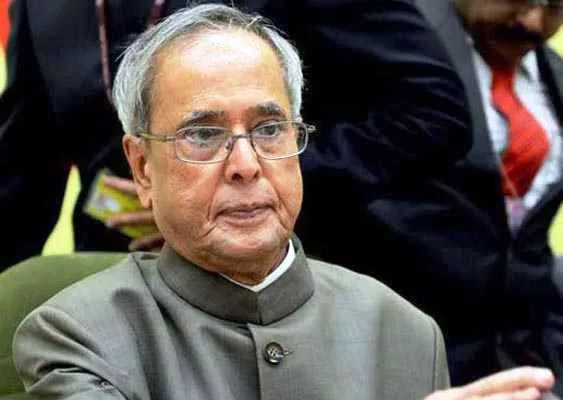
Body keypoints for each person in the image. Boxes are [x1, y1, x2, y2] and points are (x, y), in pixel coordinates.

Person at [11, 6, 559, 399]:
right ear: (141, 167)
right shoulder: (73, 335)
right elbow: (21, 164)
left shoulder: (405, 333)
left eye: (270, 129)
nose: (245, 163)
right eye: (203, 135)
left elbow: (428, 107)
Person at [0, 0, 469, 271]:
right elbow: (22, 166)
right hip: (120, 290)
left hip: (300, 281)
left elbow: (431, 110)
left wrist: (243, 185)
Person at [410, 0, 563, 391]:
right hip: (419, 357)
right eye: (523, 0)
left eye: (555, 7)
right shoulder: (399, 43)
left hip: (524, 359)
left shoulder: (553, 76)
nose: (534, 22)